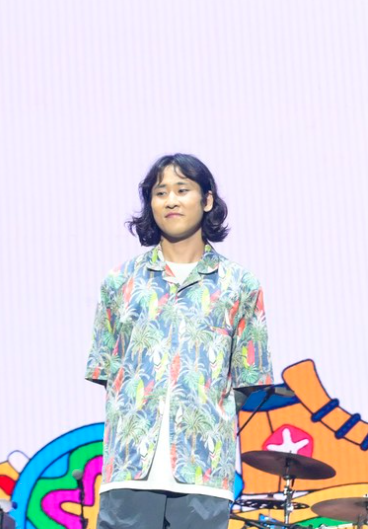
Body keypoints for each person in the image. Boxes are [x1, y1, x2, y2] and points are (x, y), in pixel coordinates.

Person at [86, 154, 271, 529]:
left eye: (182, 190)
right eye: (160, 192)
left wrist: (201, 412)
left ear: (207, 200)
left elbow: (248, 377)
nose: (171, 200)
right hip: (129, 472)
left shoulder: (240, 284)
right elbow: (106, 369)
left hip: (204, 474)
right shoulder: (120, 281)